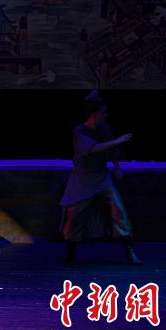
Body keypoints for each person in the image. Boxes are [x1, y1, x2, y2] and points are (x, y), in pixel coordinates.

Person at [59, 91, 140, 264]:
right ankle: (71, 252)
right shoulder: (80, 132)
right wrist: (118, 140)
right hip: (83, 179)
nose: (106, 115)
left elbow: (111, 151)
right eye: (103, 112)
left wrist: (117, 167)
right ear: (94, 114)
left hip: (102, 177)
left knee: (118, 210)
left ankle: (129, 250)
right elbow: (94, 148)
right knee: (76, 215)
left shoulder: (105, 128)